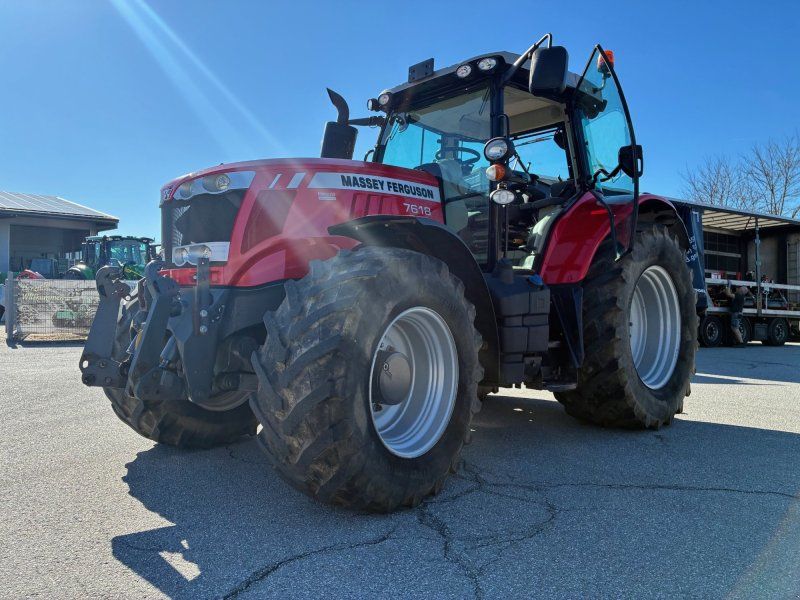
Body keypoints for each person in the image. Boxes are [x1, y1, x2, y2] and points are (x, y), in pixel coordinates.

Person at [722, 282, 749, 346]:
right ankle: (738, 342)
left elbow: (728, 294)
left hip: (736, 314)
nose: (738, 289)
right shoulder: (742, 297)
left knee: (735, 328)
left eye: (740, 288)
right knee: (735, 327)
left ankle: (741, 342)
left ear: (741, 290)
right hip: (739, 313)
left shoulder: (738, 295)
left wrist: (728, 285)